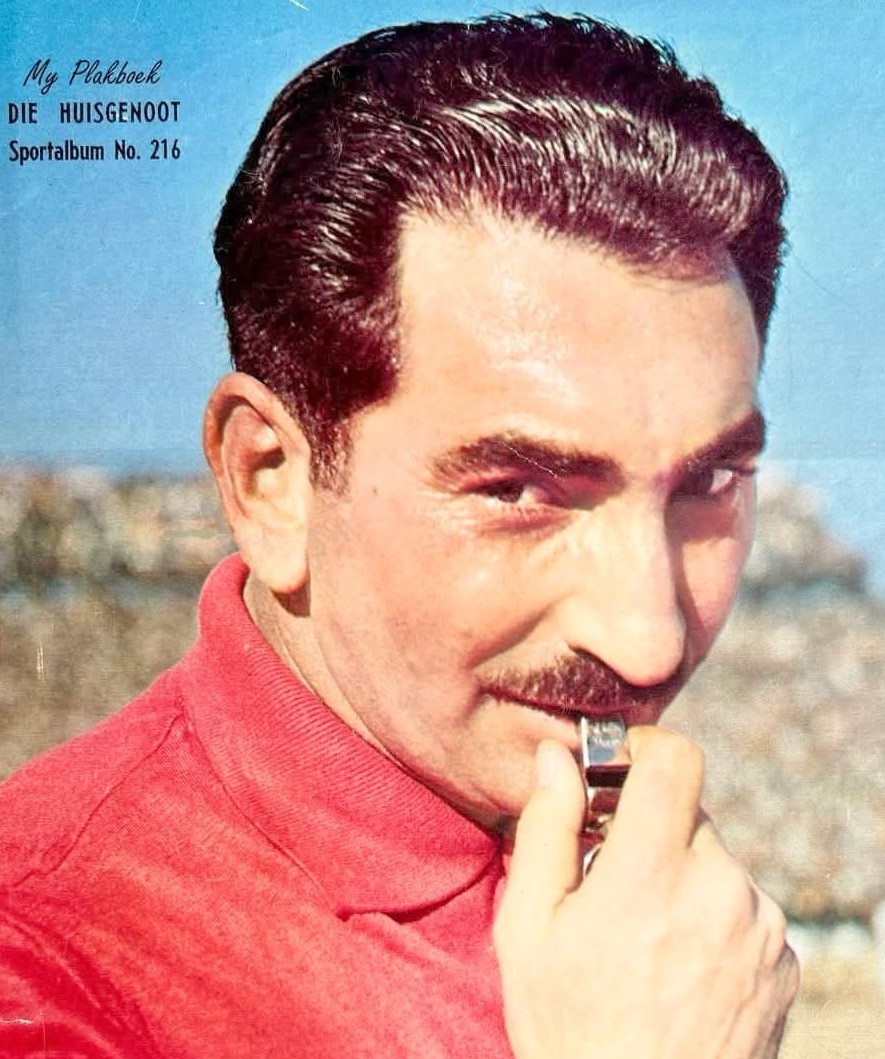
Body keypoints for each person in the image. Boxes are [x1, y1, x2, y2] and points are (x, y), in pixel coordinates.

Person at [0, 12, 799, 1058]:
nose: (648, 641)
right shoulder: (46, 973)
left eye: (710, 482)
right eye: (519, 490)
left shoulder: (634, 878)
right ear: (271, 481)